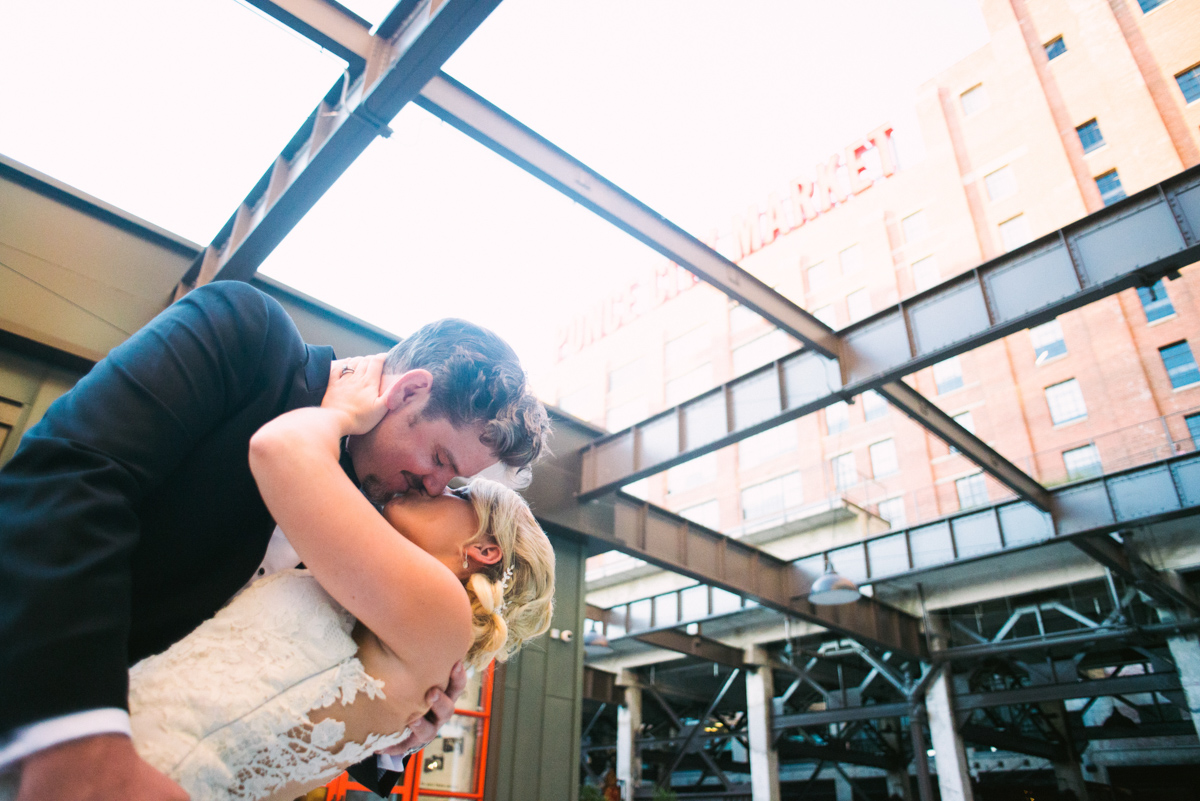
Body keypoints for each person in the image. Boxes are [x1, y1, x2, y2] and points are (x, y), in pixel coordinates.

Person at [0, 281, 551, 800]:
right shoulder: (245, 334)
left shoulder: (387, 523)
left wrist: (400, 718)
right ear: (408, 392)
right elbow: (69, 478)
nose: (434, 487)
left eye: (452, 483)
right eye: (438, 460)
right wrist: (72, 735)